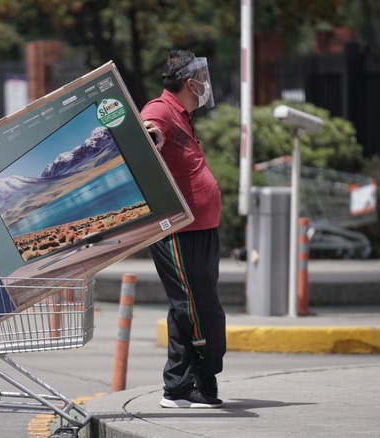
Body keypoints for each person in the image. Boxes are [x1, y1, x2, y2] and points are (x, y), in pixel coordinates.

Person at [141, 49, 226, 409]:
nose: (206, 85)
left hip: (202, 229)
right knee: (195, 308)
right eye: (202, 80)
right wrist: (150, 134)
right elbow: (147, 125)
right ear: (190, 83)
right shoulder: (161, 108)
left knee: (187, 306)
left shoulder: (185, 116)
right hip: (178, 231)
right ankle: (197, 381)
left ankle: (181, 387)